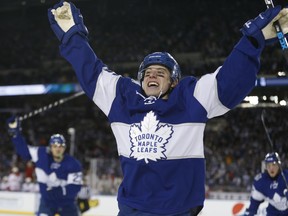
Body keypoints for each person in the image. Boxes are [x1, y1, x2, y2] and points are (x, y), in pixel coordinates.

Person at [47, 1, 288, 215]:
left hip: (179, 211)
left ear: (174, 81)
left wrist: (252, 39)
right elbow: (91, 71)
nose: (152, 76)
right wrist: (72, 37)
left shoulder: (190, 97)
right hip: (133, 210)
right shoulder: (122, 98)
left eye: (160, 73)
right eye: (147, 73)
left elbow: (228, 82)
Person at [6, 117, 83, 216]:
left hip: (67, 204)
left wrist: (56, 191)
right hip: (47, 203)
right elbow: (23, 151)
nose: (57, 149)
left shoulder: (73, 164)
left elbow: (75, 188)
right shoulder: (41, 154)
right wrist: (15, 133)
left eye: (60, 146)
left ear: (64, 148)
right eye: (55, 146)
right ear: (50, 147)